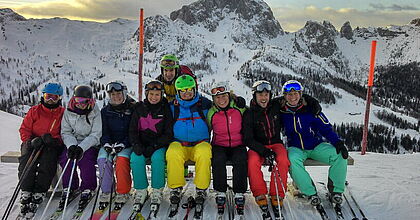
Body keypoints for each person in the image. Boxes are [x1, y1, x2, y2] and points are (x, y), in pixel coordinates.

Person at [279, 80, 348, 206]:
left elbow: (326, 128)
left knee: (339, 155)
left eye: (296, 94)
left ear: (301, 94)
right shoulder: (281, 112)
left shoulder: (311, 109)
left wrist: (337, 142)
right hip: (296, 147)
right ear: (284, 96)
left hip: (316, 146)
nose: (292, 97)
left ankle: (336, 191)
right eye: (289, 94)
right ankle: (310, 192)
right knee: (293, 161)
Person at [242, 80, 290, 214]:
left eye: (266, 95)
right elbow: (248, 139)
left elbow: (293, 97)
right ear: (254, 96)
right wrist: (264, 151)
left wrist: (312, 102)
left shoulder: (275, 106)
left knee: (282, 160)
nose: (264, 98)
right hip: (258, 146)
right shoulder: (249, 114)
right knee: (252, 162)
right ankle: (259, 192)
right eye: (260, 95)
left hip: (275, 143)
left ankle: (277, 194)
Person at [18, 83, 65, 214]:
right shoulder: (35, 110)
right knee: (26, 159)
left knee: (48, 162)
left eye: (54, 98)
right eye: (47, 96)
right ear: (43, 96)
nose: (50, 100)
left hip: (51, 144)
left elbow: (66, 132)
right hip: (34, 142)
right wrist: (30, 141)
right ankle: (26, 189)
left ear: (59, 98)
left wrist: (56, 141)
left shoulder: (62, 113)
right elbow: (24, 128)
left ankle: (40, 191)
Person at [166, 75, 212, 208]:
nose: (187, 93)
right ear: (178, 92)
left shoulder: (204, 104)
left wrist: (234, 100)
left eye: (189, 89)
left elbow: (221, 106)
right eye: (183, 90)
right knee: (173, 153)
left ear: (195, 89)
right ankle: (175, 188)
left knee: (204, 153)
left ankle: (201, 189)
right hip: (179, 143)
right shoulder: (172, 107)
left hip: (200, 143)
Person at [129, 80, 173, 211]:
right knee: (136, 158)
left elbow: (168, 133)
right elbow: (132, 130)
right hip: (142, 143)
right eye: (151, 94)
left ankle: (157, 190)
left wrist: (155, 146)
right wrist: (136, 144)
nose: (154, 97)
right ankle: (141, 190)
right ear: (147, 94)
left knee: (157, 159)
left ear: (162, 95)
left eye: (157, 95)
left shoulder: (165, 109)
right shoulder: (139, 108)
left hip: (158, 145)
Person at [206, 82, 248, 213]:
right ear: (213, 99)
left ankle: (239, 192)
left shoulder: (238, 108)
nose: (221, 100)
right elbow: (207, 130)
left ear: (229, 96)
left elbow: (253, 113)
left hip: (238, 144)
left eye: (224, 96)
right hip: (219, 144)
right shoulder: (212, 112)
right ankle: (220, 191)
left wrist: (242, 101)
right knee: (218, 160)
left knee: (240, 160)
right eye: (217, 97)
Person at [59, 85, 102, 209]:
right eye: (78, 100)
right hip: (73, 142)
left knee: (86, 159)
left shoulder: (94, 111)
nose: (81, 104)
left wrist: (82, 147)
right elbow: (66, 132)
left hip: (90, 143)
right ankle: (70, 187)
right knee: (65, 158)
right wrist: (71, 146)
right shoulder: (69, 111)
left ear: (90, 100)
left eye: (85, 101)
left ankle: (88, 188)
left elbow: (96, 134)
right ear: (74, 99)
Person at [97, 81, 135, 209]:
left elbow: (133, 131)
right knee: (103, 159)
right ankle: (107, 190)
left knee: (121, 160)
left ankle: (123, 191)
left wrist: (124, 144)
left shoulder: (132, 109)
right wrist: (106, 143)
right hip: (110, 143)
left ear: (124, 93)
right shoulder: (105, 111)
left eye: (118, 93)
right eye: (112, 94)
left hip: (127, 143)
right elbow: (103, 130)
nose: (115, 97)